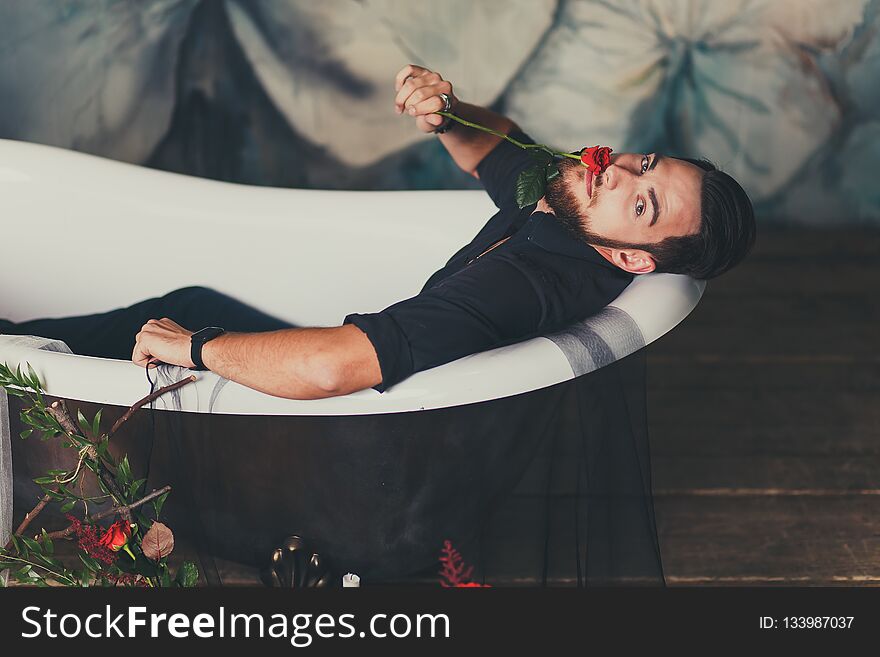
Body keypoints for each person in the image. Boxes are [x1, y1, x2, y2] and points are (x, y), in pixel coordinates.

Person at [0, 64, 755, 399]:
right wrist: (446, 111)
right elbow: (503, 146)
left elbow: (340, 368)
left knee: (172, 321)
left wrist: (192, 347)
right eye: (644, 162)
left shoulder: (528, 281)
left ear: (632, 256)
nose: (618, 171)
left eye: (644, 202)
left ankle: (11, 352)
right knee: (192, 293)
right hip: (397, 408)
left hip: (357, 432)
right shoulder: (569, 210)